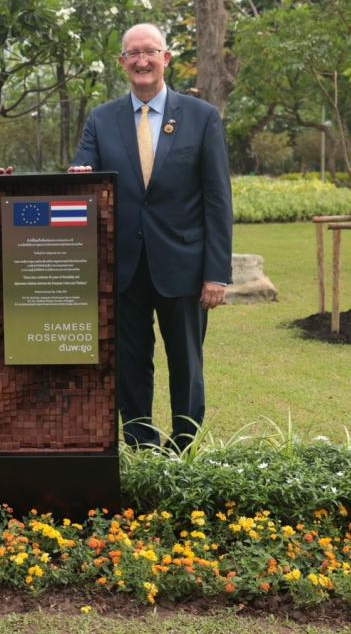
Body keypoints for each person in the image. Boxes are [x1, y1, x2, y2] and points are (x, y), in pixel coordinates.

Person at [71, 23, 232, 451]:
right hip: (121, 268)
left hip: (183, 266)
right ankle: (141, 442)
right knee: (130, 363)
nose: (142, 61)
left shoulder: (202, 118)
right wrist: (79, 177)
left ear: (166, 59)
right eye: (132, 54)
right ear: (122, 63)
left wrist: (217, 273)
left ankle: (183, 446)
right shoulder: (102, 119)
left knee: (186, 363)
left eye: (150, 52)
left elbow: (218, 200)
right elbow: (83, 171)